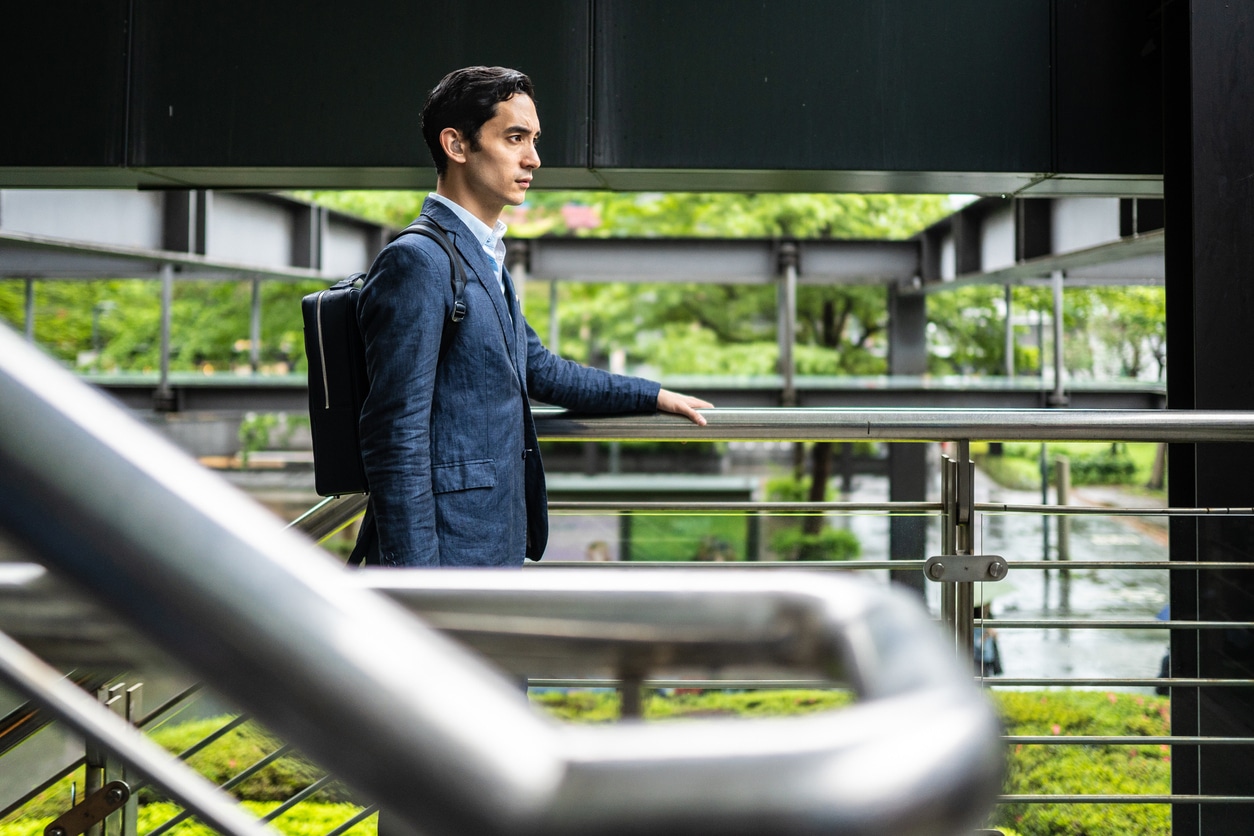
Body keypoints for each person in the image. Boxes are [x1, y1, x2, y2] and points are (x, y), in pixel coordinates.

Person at [351, 66, 711, 568]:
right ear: (456, 145)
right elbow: (395, 434)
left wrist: (650, 395)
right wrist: (419, 583)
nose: (534, 159)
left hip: (491, 536)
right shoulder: (418, 260)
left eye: (534, 139)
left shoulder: (481, 253)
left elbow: (538, 368)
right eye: (514, 138)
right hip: (448, 553)